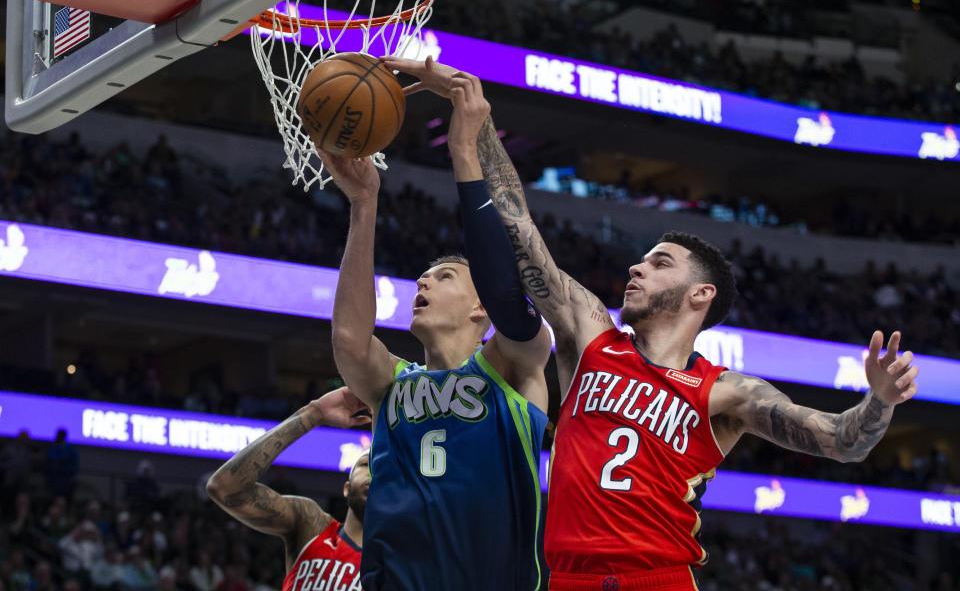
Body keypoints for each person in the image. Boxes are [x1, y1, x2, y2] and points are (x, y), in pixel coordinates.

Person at [383, 55, 921, 591]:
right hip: (568, 579)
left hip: (657, 579)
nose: (637, 267)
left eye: (661, 263)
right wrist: (475, 123)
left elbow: (840, 441)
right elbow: (518, 224)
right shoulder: (591, 334)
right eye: (642, 259)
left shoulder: (723, 393)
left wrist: (878, 402)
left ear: (700, 294)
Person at [320, 125, 553, 590]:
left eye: (444, 276)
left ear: (479, 305)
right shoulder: (391, 384)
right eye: (423, 278)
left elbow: (510, 298)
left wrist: (464, 154)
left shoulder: (510, 366)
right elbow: (349, 339)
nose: (422, 284)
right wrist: (364, 204)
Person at [206, 387, 371, 591]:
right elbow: (225, 487)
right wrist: (313, 413)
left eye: (382, 469)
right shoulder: (312, 525)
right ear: (346, 488)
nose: (373, 473)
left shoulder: (400, 563)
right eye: (365, 465)